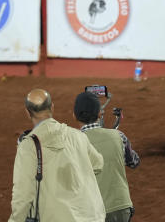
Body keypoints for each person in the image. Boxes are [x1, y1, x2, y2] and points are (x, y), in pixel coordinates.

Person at [8, 89, 105, 222]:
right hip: (93, 216)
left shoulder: (28, 147)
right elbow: (98, 164)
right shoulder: (78, 135)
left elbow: (23, 196)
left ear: (27, 112)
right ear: (52, 107)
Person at [73, 91, 140, 222]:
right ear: (100, 113)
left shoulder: (72, 142)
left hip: (92, 212)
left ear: (74, 115)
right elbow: (134, 162)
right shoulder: (119, 136)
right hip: (121, 208)